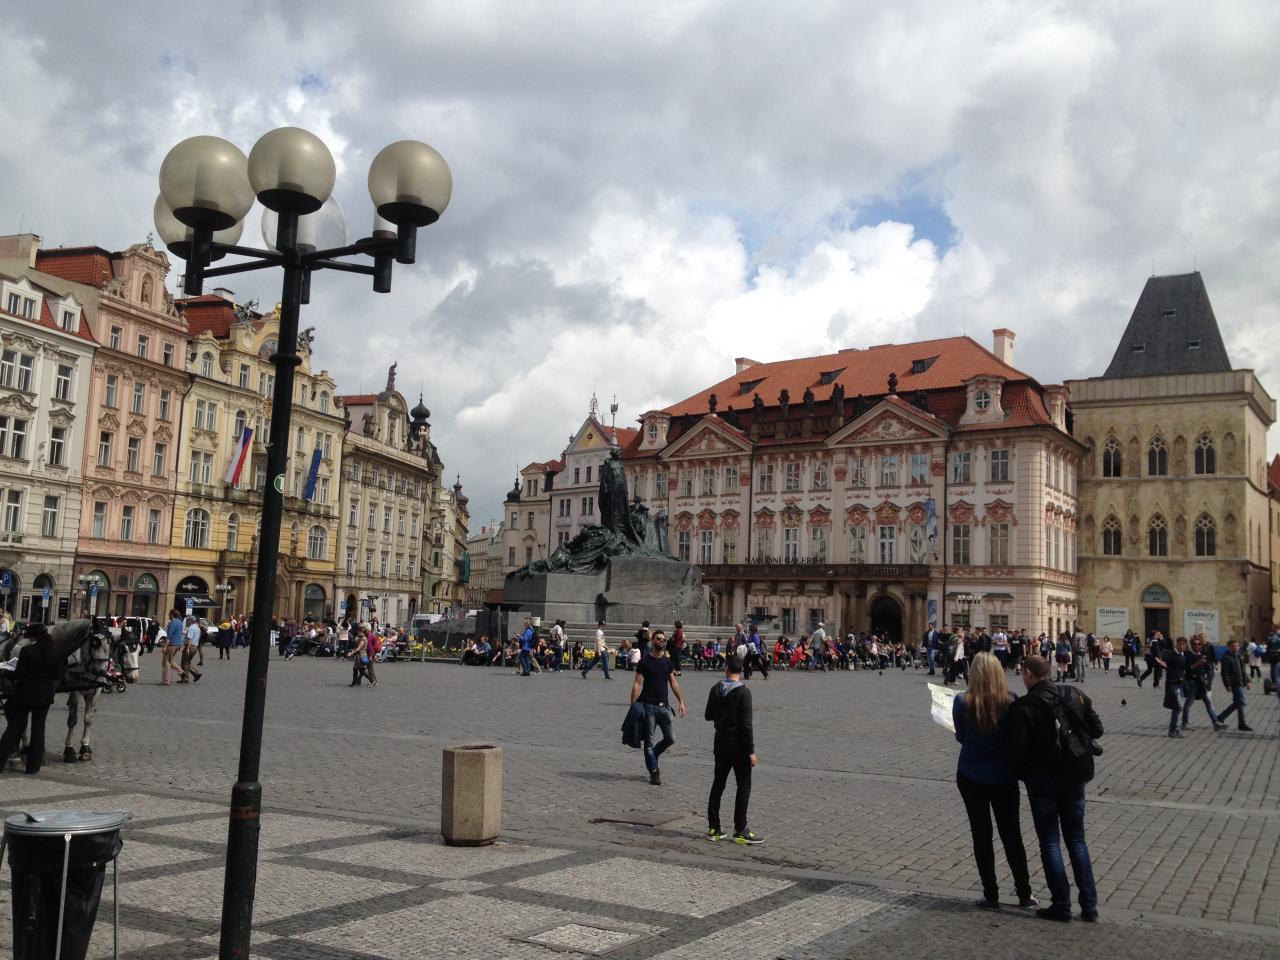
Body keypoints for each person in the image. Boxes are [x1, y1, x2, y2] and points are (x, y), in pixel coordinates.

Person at [1007, 654, 1103, 923]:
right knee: (1077, 840)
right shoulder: (1074, 692)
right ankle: (1090, 906)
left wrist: (1023, 774)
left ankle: (1061, 905)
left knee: (1050, 842)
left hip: (1043, 781)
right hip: (1075, 776)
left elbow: (1017, 752)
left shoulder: (1024, 706)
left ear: (1028, 674)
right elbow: (1097, 728)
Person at [952, 652, 1037, 910]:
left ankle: (991, 894)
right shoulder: (1011, 701)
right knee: (1012, 834)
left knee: (981, 835)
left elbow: (961, 737)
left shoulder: (961, 701)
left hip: (971, 775)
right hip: (1003, 776)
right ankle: (1025, 893)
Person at [704, 654, 761, 845]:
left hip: (720, 743)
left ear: (726, 668)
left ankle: (714, 828)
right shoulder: (744, 692)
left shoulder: (715, 689)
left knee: (718, 784)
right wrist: (751, 751)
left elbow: (708, 715)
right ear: (742, 671)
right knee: (743, 786)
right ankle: (740, 829)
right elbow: (746, 725)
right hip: (738, 746)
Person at [0, 624, 60, 774]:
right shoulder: (53, 652)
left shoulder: (27, 651)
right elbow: (57, 675)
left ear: (32, 637)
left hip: (25, 695)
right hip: (45, 697)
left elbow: (19, 674)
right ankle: (33, 767)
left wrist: (5, 671)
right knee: (38, 730)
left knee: (14, 728)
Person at [629, 630, 686, 786]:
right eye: (658, 639)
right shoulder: (644, 661)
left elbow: (673, 682)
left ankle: (653, 754)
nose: (661, 641)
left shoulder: (667, 662)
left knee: (670, 738)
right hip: (649, 707)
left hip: (665, 707)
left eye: (663, 639)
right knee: (649, 742)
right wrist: (633, 705)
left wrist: (681, 701)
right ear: (652, 641)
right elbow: (637, 683)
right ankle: (654, 771)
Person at [1155, 637, 1190, 737]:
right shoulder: (1172, 654)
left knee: (1177, 707)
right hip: (1172, 683)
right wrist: (1161, 662)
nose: (1181, 646)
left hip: (1180, 683)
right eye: (1180, 644)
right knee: (1178, 706)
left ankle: (1173, 729)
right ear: (1176, 644)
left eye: (1183, 645)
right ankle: (1173, 729)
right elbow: (1161, 657)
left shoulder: (1183, 655)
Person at [1216, 639, 1253, 731]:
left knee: (1238, 703)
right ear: (1229, 647)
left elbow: (1243, 670)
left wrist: (1247, 681)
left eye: (1236, 645)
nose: (1235, 647)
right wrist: (1227, 685)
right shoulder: (1226, 658)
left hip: (1241, 682)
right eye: (1233, 646)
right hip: (1234, 683)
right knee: (1242, 702)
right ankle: (1242, 723)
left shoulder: (1238, 656)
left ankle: (1221, 717)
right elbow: (1224, 673)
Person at [161, 609, 182, 685]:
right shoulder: (180, 622)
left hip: (171, 645)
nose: (168, 615)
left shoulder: (172, 623)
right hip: (177, 644)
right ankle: (181, 672)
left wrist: (164, 647)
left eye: (169, 614)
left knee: (166, 663)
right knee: (170, 660)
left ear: (172, 615)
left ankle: (166, 680)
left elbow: (169, 636)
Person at [180, 615, 203, 683]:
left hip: (190, 646)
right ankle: (195, 674)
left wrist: (187, 648)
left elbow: (190, 639)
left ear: (190, 621)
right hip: (195, 647)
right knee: (187, 663)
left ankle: (187, 678)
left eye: (188, 620)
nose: (187, 621)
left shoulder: (191, 628)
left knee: (184, 664)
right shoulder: (197, 628)